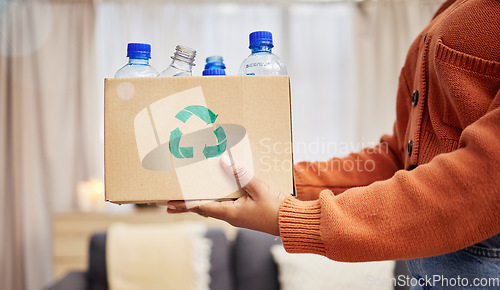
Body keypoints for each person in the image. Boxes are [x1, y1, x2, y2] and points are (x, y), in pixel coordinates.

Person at [168, 0, 500, 288]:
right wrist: (275, 179)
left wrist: (292, 217)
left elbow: (488, 177)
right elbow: (400, 158)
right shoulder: (453, 10)